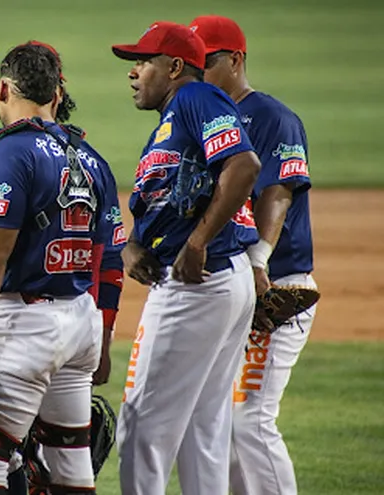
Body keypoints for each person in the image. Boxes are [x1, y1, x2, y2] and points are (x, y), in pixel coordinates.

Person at [0, 40, 124, 494]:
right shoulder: (91, 158)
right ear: (56, 97)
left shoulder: (8, 152)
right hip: (80, 322)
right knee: (69, 467)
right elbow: (108, 259)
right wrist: (101, 343)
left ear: (4, 90)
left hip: (25, 327)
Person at [110, 21, 263, 495]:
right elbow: (168, 199)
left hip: (198, 282)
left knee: (141, 428)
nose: (133, 73)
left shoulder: (196, 99)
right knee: (202, 429)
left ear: (175, 67)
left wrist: (196, 241)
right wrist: (134, 244)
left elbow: (244, 165)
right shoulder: (171, 120)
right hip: (218, 282)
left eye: (143, 62)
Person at [190, 15, 318, 495]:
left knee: (250, 418)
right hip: (232, 291)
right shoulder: (203, 116)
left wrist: (259, 259)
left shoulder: (272, 117)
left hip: (276, 288)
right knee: (218, 422)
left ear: (236, 60)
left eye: (207, 62)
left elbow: (278, 193)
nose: (196, 72)